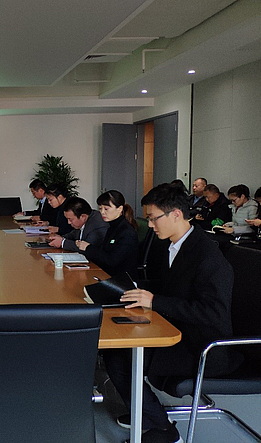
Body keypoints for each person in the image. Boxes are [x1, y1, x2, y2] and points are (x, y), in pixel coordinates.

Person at [103, 183, 238, 443]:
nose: (150, 225)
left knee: (119, 358)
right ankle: (145, 412)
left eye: (154, 218)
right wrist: (128, 289)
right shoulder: (175, 245)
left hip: (203, 345)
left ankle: (164, 429)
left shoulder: (207, 255)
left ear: (176, 214)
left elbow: (212, 313)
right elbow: (169, 287)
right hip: (178, 329)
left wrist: (155, 301)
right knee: (118, 350)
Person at [75, 190, 139, 277]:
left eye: (106, 209)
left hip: (120, 279)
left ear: (120, 209)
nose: (102, 212)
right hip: (107, 274)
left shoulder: (127, 232)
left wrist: (88, 248)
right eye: (100, 208)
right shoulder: (112, 227)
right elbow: (104, 253)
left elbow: (111, 260)